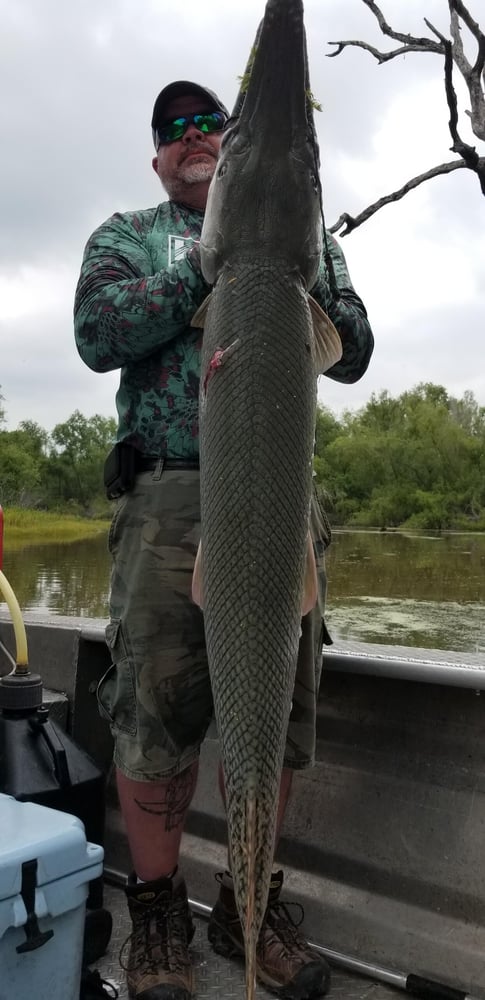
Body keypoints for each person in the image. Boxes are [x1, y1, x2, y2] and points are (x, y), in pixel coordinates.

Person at [74, 79, 374, 1000]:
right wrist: (210, 266)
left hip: (281, 499)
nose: (197, 137)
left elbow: (354, 348)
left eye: (214, 125)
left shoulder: (309, 243)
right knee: (155, 708)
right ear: (157, 153)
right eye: (178, 129)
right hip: (166, 495)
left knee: (276, 709)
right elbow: (97, 332)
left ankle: (252, 901)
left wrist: (290, 254)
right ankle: (159, 912)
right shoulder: (127, 236)